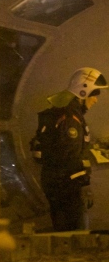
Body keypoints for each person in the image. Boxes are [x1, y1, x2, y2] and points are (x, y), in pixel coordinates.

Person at [31, 67, 107, 232]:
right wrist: (84, 187)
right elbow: (70, 158)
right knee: (76, 235)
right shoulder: (71, 119)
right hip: (68, 189)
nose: (96, 100)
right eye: (95, 94)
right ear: (83, 92)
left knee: (63, 231)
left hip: (55, 184)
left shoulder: (60, 112)